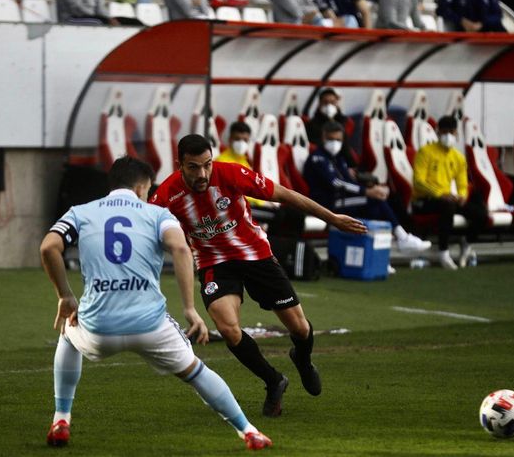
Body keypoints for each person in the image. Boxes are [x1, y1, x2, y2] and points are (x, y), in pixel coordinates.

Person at [39, 156, 272, 450]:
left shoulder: (80, 212)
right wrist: (189, 308)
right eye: (149, 190)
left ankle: (61, 419)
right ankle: (248, 431)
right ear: (140, 188)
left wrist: (65, 295)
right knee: (196, 371)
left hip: (99, 327)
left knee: (69, 333)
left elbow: (49, 247)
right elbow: (180, 248)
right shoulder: (157, 214)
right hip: (149, 325)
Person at [149, 134, 367, 417]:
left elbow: (285, 195)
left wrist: (333, 219)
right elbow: (144, 228)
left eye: (207, 165)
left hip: (256, 254)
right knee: (228, 329)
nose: (202, 173)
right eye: (193, 167)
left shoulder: (231, 173)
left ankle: (302, 359)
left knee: (300, 329)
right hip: (214, 262)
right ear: (180, 165)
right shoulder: (167, 193)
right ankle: (273, 380)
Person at [304, 121, 432, 263]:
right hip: (327, 203)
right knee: (375, 201)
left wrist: (372, 188)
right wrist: (366, 192)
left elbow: (349, 180)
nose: (335, 143)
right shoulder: (317, 158)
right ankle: (402, 238)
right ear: (323, 137)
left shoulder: (338, 158)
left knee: (381, 206)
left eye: (338, 140)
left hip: (343, 200)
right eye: (331, 139)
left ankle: (378, 257)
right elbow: (336, 183)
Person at [412, 115, 488, 269]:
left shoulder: (458, 158)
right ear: (438, 132)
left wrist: (462, 196)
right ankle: (443, 252)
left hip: (447, 199)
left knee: (480, 211)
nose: (448, 136)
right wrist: (440, 194)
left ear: (456, 134)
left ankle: (467, 243)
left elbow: (462, 183)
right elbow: (418, 182)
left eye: (451, 132)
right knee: (447, 206)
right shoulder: (425, 152)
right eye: (444, 132)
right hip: (424, 200)